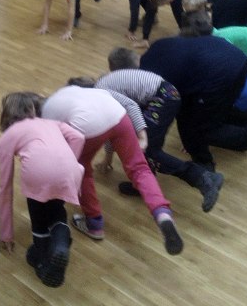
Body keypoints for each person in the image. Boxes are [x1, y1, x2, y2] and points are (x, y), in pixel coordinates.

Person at [42, 81, 183, 255]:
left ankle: (94, 223)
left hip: (88, 125)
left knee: (82, 170)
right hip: (117, 114)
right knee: (140, 168)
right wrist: (141, 135)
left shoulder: (46, 113)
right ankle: (163, 215)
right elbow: (126, 107)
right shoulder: (81, 91)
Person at [140, 12, 247, 172]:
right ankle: (205, 165)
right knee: (190, 122)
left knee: (203, 130)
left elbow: (163, 115)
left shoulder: (155, 77)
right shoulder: (181, 48)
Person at [98, 48, 224, 212]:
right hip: (165, 94)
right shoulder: (105, 86)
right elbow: (113, 128)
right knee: (146, 147)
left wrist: (141, 138)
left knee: (148, 148)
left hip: (162, 96)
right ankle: (143, 184)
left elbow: (128, 110)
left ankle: (203, 177)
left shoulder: (101, 92)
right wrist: (108, 158)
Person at [0, 92, 84, 288]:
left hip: (38, 174)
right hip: (69, 171)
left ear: (6, 113)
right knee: (56, 209)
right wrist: (69, 161)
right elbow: (78, 137)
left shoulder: (7, 137)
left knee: (38, 214)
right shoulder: (51, 123)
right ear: (32, 109)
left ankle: (42, 259)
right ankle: (60, 243)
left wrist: (6, 234)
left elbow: (5, 188)